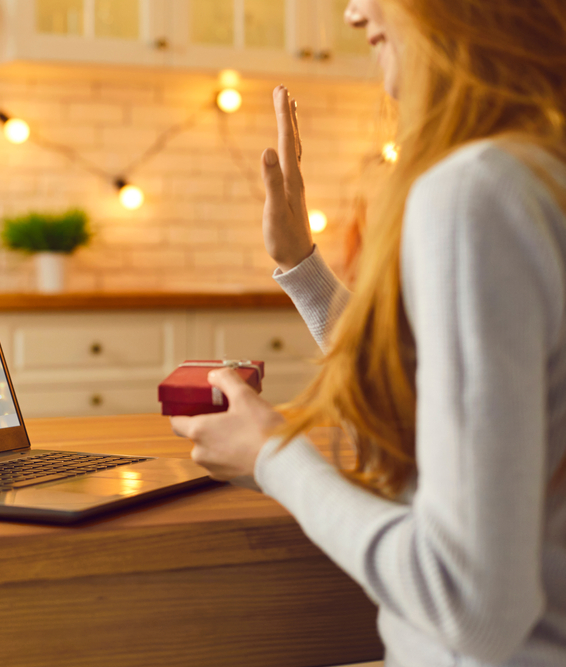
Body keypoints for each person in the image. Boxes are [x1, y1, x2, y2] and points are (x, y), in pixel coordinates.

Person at [171, 1, 566, 665]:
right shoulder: (539, 175)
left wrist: (270, 456)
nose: (353, 12)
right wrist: (305, 269)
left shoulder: (478, 190)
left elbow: (469, 605)